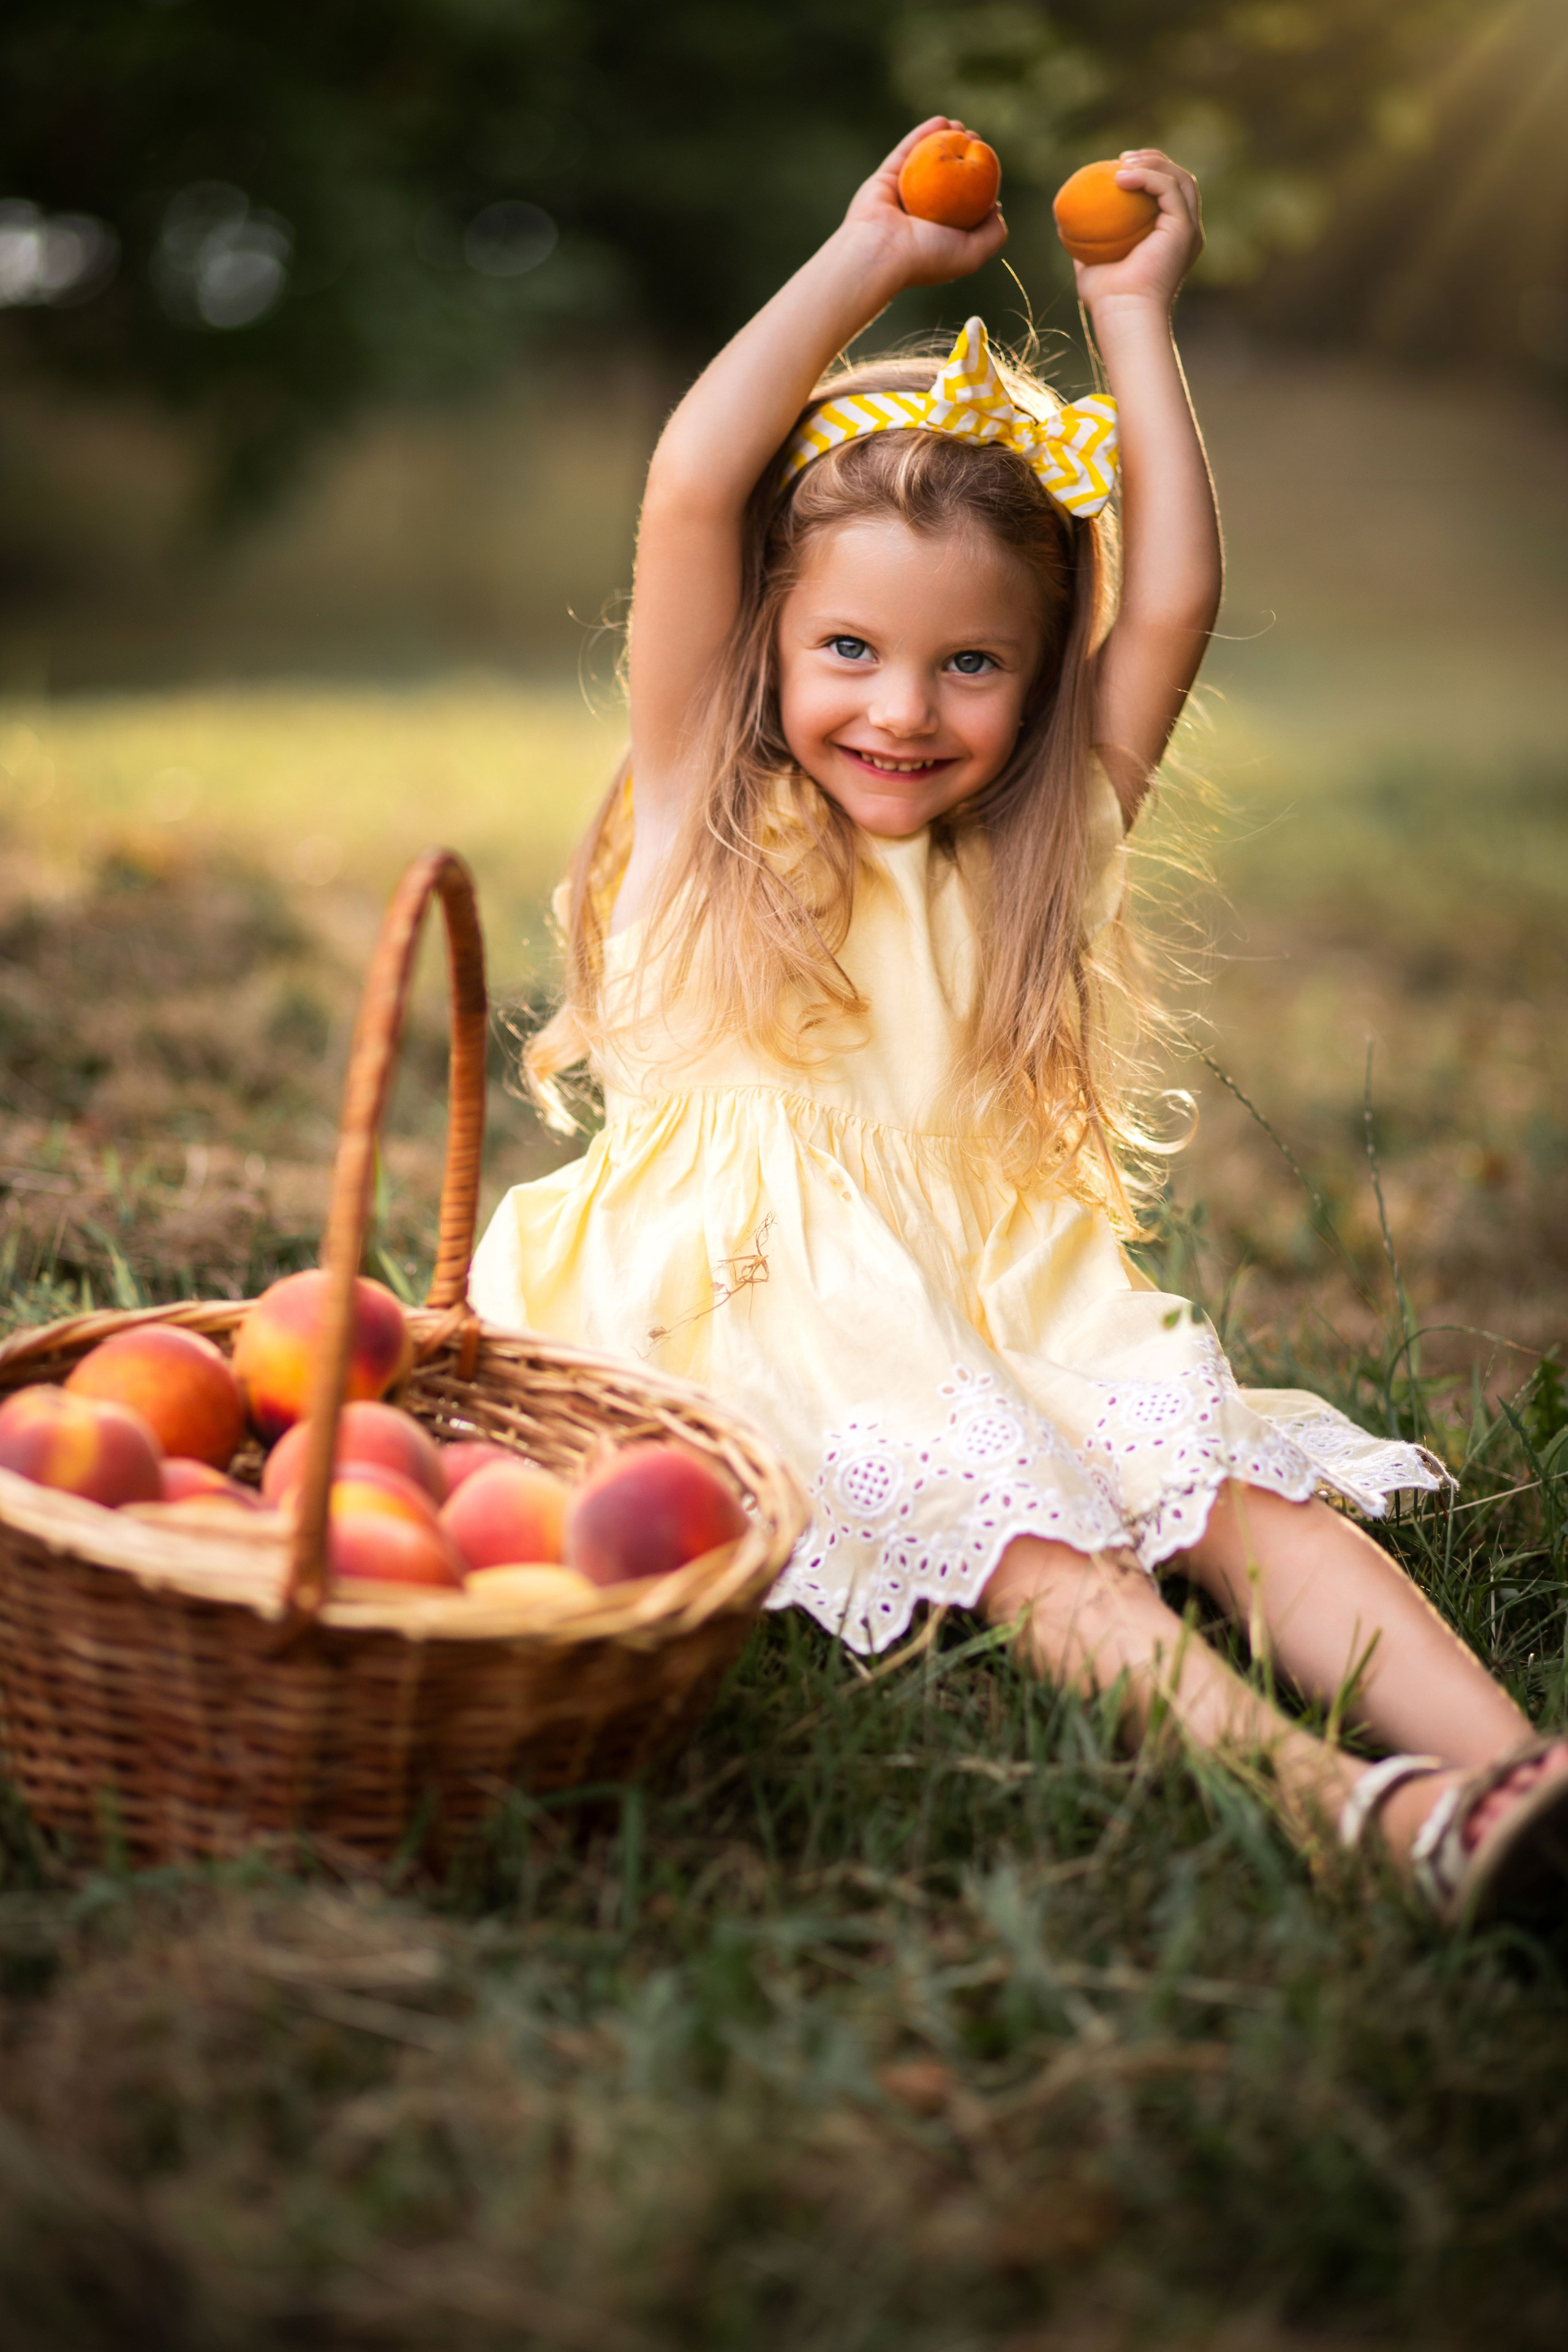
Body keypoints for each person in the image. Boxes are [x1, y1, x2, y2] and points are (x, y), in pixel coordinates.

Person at [470, 120, 1568, 1925]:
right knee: (1046, 1546)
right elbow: (689, 487)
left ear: (1042, 677)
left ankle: (1515, 1776)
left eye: (970, 663)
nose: (903, 710)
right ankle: (1345, 1811)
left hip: (996, 1283)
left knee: (1239, 1495)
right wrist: (869, 260)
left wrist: (1132, 314)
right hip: (749, 1302)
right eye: (849, 651)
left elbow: (1176, 596)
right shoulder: (703, 809)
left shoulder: (1039, 841)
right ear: (766, 646)